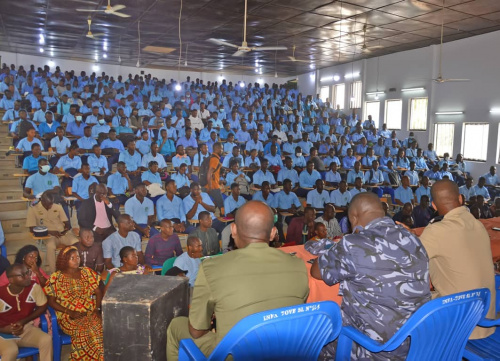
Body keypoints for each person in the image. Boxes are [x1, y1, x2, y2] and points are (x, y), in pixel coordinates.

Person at [166, 201, 309, 359]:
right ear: (273, 233)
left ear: (233, 230)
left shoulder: (212, 268)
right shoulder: (298, 265)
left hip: (235, 355)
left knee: (175, 326)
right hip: (284, 352)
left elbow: (196, 331)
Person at [311, 192, 431, 360]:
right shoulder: (413, 238)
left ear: (354, 217)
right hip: (417, 342)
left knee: (315, 341)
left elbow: (316, 271)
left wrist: (335, 248)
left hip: (374, 348)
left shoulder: (353, 243)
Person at [419, 179, 496, 339]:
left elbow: (408, 258)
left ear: (433, 205)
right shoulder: (478, 224)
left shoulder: (436, 231)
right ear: (461, 199)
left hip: (461, 325)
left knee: (409, 299)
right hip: (486, 321)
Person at [44, 247, 103, 360]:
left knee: (98, 329)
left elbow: (98, 292)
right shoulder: (56, 278)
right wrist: (69, 312)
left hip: (89, 312)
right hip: (67, 315)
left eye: (78, 257)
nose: (77, 260)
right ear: (64, 260)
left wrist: (96, 309)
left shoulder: (87, 272)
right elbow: (51, 302)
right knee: (83, 332)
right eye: (72, 258)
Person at [0, 264, 53, 361]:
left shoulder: (33, 287)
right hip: (2, 334)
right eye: (22, 275)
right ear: (11, 280)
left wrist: (23, 321)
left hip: (25, 328)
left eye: (27, 273)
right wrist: (3, 329)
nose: (27, 276)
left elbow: (42, 306)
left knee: (46, 340)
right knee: (11, 350)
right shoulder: (1, 294)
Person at [26, 191, 78, 273]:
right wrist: (50, 232)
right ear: (42, 201)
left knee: (77, 243)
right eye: (48, 204)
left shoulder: (57, 207)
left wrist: (66, 229)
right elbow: (32, 228)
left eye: (51, 203)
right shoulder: (33, 209)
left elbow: (66, 223)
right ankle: (54, 272)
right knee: (51, 247)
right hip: (48, 236)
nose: (50, 206)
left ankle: (75, 268)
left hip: (63, 234)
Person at [206, 142, 224, 209]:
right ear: (217, 148)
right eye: (221, 149)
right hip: (213, 186)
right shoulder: (215, 159)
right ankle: (222, 218)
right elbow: (209, 173)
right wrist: (210, 187)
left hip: (213, 184)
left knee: (217, 203)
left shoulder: (211, 157)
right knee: (222, 206)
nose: (222, 150)